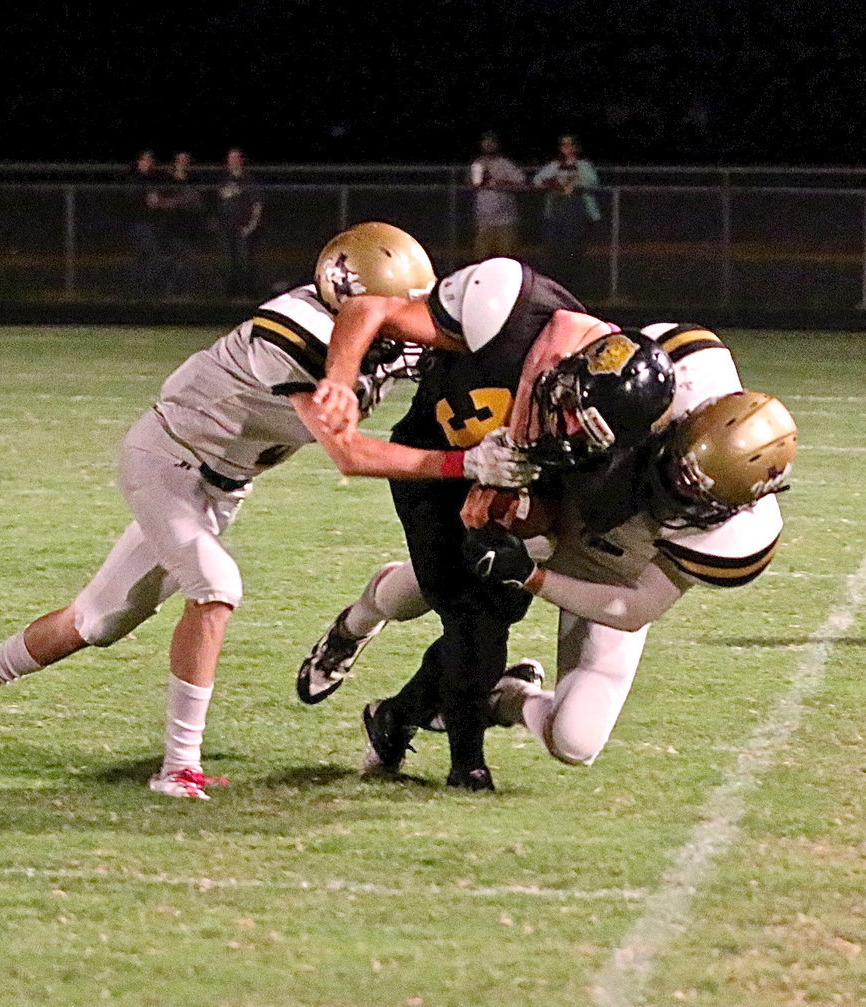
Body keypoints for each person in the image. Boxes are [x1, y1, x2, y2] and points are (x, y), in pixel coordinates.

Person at [0, 223, 537, 800]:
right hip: (166, 459)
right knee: (216, 587)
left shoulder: (397, 328)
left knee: (95, 621)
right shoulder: (291, 331)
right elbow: (350, 454)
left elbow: (452, 350)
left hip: (222, 488)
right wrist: (466, 465)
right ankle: (179, 766)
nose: (402, 323)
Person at [299, 325, 796, 783]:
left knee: (575, 742)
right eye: (678, 469)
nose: (673, 490)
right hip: (563, 501)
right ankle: (358, 621)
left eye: (694, 495)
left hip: (616, 571)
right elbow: (570, 349)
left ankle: (503, 697)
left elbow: (636, 608)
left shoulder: (741, 538)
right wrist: (516, 464)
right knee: (443, 580)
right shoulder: (676, 373)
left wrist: (532, 577)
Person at [310, 259, 676, 790]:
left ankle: (395, 717)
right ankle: (466, 764)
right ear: (573, 370)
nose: (569, 429)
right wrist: (341, 382)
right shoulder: (510, 312)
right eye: (574, 411)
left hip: (494, 481)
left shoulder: (596, 439)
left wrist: (509, 506)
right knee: (473, 621)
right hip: (430, 467)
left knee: (496, 606)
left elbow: (547, 510)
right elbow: (369, 308)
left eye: (587, 432)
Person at [531, 134, 600, 296]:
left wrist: (574, 184)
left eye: (570, 145)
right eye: (564, 145)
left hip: (577, 215)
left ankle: (576, 287)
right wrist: (553, 182)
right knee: (555, 252)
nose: (567, 148)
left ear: (576, 148)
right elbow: (537, 180)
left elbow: (593, 182)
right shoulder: (554, 166)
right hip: (557, 215)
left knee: (575, 251)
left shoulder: (583, 165)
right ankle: (557, 286)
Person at [211, 147, 264, 299]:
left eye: (236, 158)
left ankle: (248, 294)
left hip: (243, 228)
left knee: (245, 261)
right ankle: (230, 294)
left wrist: (251, 226)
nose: (233, 161)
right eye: (230, 158)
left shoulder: (249, 180)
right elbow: (215, 203)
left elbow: (257, 205)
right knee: (228, 261)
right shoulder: (222, 180)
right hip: (225, 229)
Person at [155, 151, 207, 299]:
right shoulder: (167, 180)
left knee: (186, 261)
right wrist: (180, 201)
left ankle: (182, 294)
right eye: (180, 160)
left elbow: (199, 201)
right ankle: (167, 293)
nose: (183, 163)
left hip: (189, 228)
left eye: (186, 160)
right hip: (170, 227)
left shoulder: (193, 180)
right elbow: (159, 202)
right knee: (172, 261)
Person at [469, 131, 525, 260]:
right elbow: (472, 184)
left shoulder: (505, 164)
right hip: (483, 221)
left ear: (497, 145)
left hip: (505, 221)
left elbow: (521, 182)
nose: (488, 145)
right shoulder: (477, 164)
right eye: (486, 142)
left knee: (506, 261)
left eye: (491, 142)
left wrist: (500, 183)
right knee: (482, 261)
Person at [126, 149, 168, 300]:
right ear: (139, 162)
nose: (148, 163)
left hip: (151, 223)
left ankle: (141, 293)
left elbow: (157, 200)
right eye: (145, 160)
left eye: (150, 160)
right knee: (149, 256)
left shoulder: (153, 178)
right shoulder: (135, 179)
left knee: (145, 257)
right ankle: (144, 292)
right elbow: (143, 201)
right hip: (139, 223)